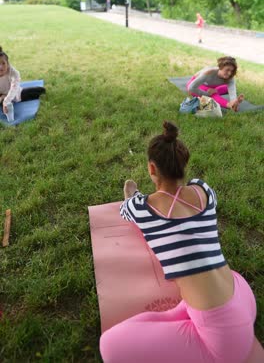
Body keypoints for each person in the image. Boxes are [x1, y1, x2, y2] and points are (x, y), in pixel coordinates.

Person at [100, 121, 257, 363]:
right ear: (184, 164)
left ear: (152, 169)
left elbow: (126, 209)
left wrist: (133, 197)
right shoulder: (204, 190)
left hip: (226, 344)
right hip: (240, 293)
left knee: (109, 345)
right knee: (177, 312)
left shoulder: (143, 209)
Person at [0, 46, 46, 116]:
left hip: (15, 94)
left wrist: (6, 101)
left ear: (8, 63)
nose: (1, 67)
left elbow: (14, 88)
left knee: (41, 90)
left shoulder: (13, 73)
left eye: (3, 63)